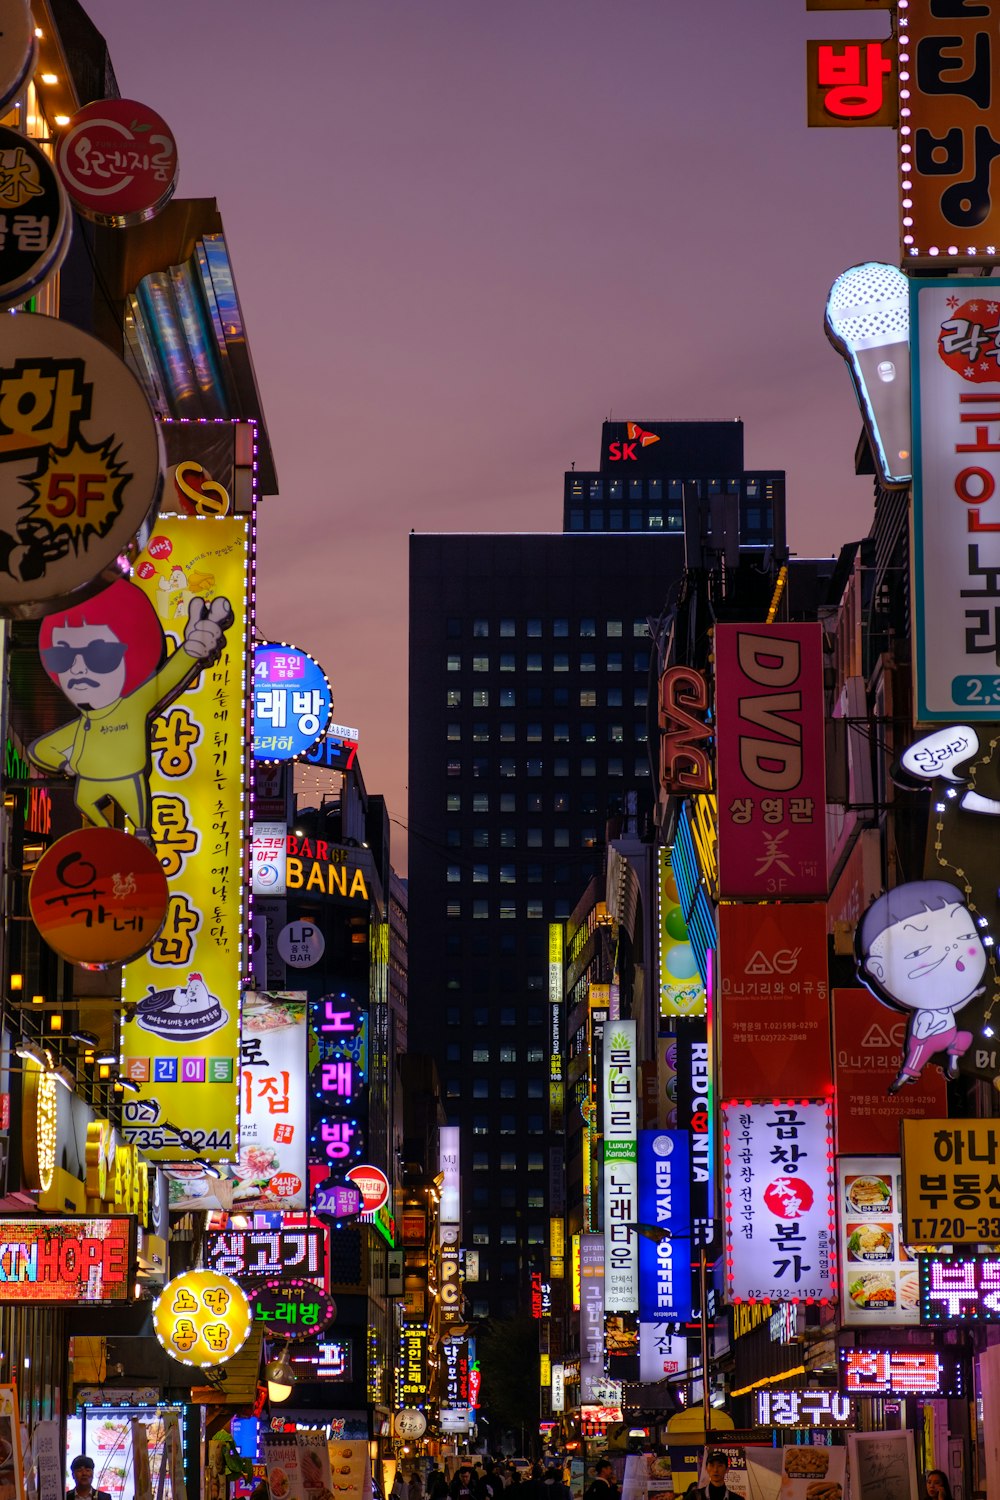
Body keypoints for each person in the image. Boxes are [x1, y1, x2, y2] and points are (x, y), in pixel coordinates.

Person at [30, 579, 233, 838]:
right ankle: (108, 836)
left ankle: (139, 837)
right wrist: (65, 762)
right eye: (62, 657)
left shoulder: (134, 704)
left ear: (134, 655)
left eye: (99, 655)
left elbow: (168, 677)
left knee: (138, 817)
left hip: (128, 779)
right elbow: (40, 750)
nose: (78, 669)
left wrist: (192, 651)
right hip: (89, 782)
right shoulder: (82, 724)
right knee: (83, 803)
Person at [856, 880, 984, 1092]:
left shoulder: (943, 1002)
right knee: (915, 1058)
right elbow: (921, 1030)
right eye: (918, 953)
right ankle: (904, 1078)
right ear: (877, 967)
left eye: (966, 937)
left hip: (948, 1033)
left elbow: (958, 1004)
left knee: (963, 1038)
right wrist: (921, 1035)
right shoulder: (925, 1011)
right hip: (927, 1041)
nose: (949, 956)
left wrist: (974, 994)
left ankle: (952, 1063)